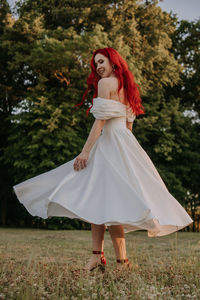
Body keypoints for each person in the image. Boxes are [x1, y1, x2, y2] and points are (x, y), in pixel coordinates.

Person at [13, 47, 193, 273]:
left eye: (101, 61)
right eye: (95, 64)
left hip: (109, 144)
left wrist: (86, 151)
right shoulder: (128, 87)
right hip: (124, 144)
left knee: (102, 199)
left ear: (113, 61)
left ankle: (110, 259)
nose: (98, 67)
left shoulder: (105, 84)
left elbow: (99, 123)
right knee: (103, 200)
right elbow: (129, 125)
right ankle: (110, 259)